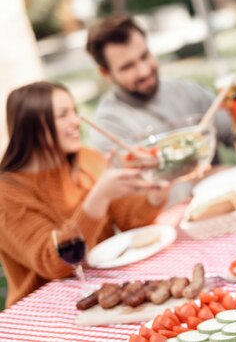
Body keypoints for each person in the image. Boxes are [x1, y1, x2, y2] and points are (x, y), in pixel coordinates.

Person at [0, 82, 170, 307]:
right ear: (32, 126)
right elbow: (55, 264)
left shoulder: (86, 158)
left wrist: (156, 190)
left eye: (74, 111)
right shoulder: (6, 193)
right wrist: (98, 197)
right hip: (45, 310)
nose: (76, 121)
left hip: (105, 292)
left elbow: (130, 221)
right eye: (63, 115)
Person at [85, 14, 236, 154]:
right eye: (127, 67)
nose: (144, 71)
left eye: (144, 56)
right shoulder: (107, 127)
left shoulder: (188, 93)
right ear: (105, 74)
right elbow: (140, 198)